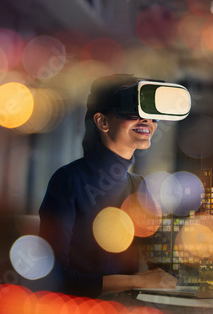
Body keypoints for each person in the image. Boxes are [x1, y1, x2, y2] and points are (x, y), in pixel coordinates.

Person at [38, 74, 177, 298]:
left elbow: (161, 266)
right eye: (132, 108)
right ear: (102, 121)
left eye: (151, 112)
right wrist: (132, 282)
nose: (146, 120)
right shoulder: (68, 180)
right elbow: (53, 276)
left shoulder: (140, 187)